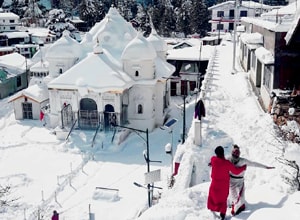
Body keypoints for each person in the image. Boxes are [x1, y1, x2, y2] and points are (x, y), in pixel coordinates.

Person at [227, 144, 275, 216]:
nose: (235, 156)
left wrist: (265, 167)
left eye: (237, 155)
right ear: (232, 153)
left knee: (242, 197)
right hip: (231, 181)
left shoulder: (243, 161)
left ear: (239, 155)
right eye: (234, 154)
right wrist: (212, 163)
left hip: (240, 181)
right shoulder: (228, 159)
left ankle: (241, 206)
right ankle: (234, 206)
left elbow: (254, 164)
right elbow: (220, 162)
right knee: (234, 196)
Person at [207, 146, 247, 220]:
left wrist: (211, 164)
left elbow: (213, 162)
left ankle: (212, 212)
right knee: (223, 201)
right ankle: (222, 216)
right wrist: (243, 168)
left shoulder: (213, 159)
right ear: (223, 153)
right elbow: (236, 171)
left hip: (214, 185)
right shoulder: (227, 163)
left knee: (212, 198)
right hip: (223, 186)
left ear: (216, 153)